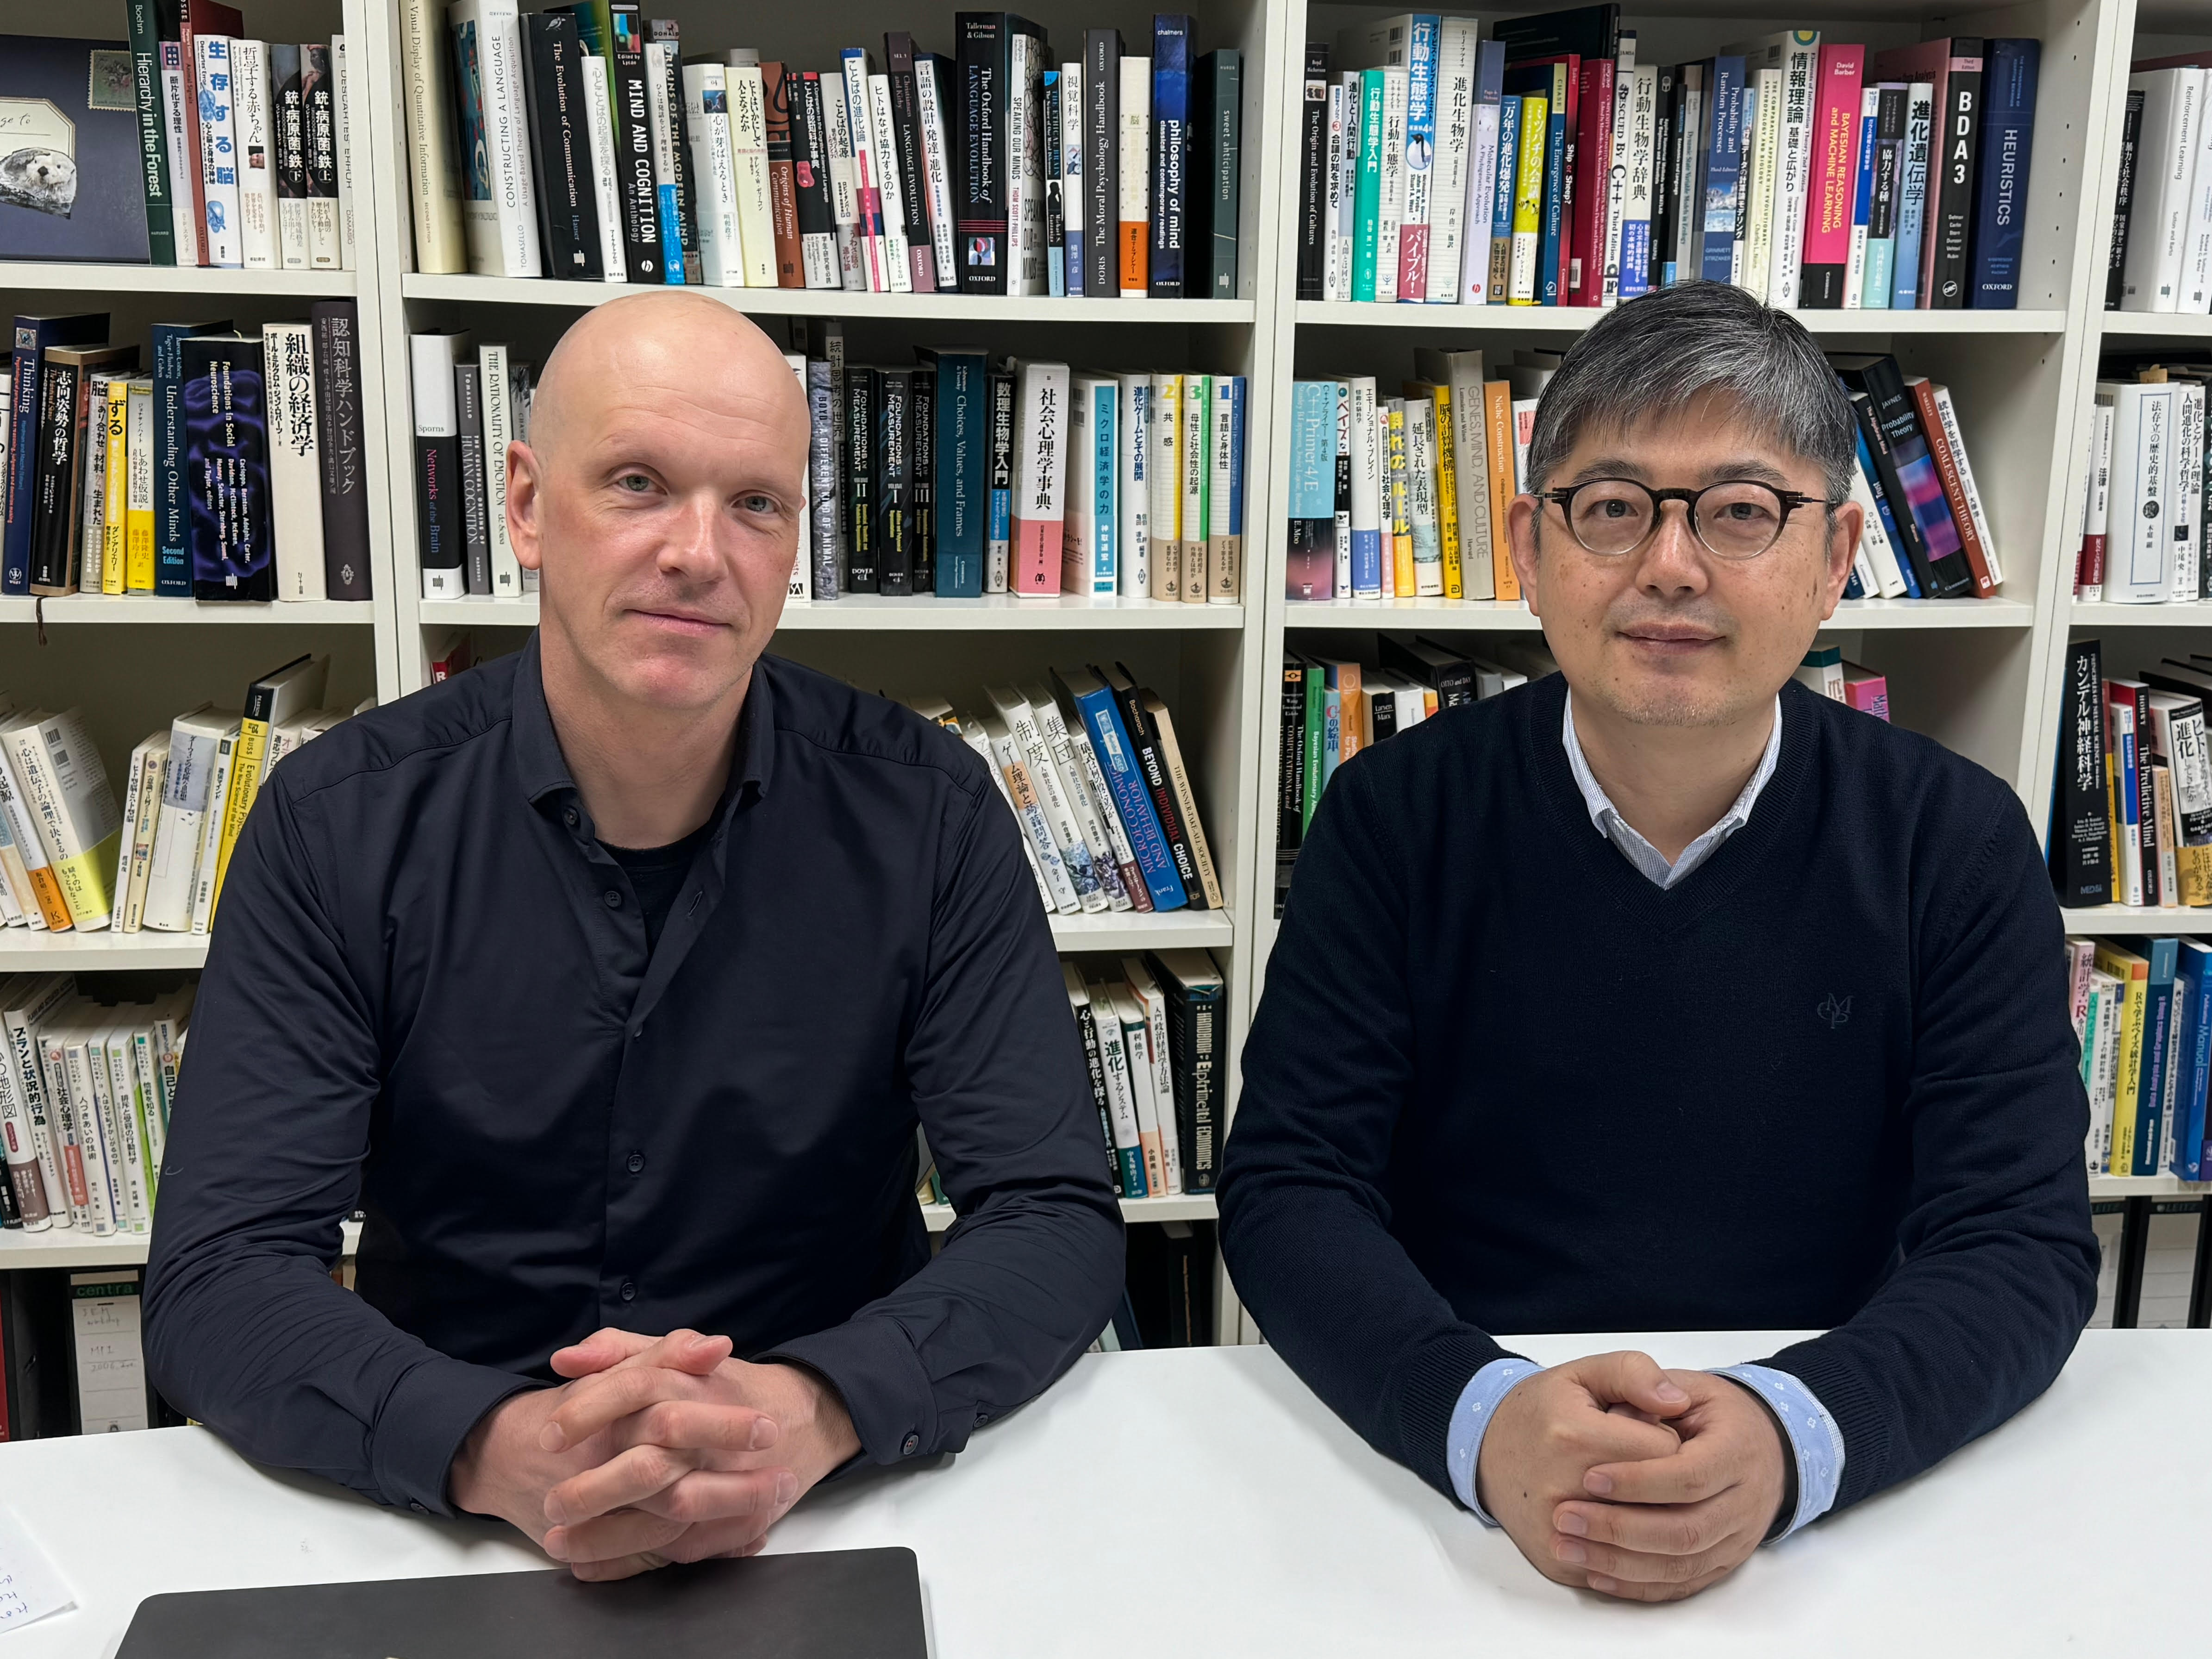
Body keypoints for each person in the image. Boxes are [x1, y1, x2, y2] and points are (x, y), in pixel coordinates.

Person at [145, 290, 1123, 1579]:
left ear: (794, 545)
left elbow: (1053, 1214)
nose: (696, 551)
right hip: (449, 1512)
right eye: (637, 484)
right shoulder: (338, 826)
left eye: (755, 505)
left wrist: (816, 1410)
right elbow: (220, 1271)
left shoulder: (929, 816)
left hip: (832, 1499)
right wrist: (499, 1446)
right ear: (527, 506)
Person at [1218, 282, 2097, 1603]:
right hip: (1454, 1491)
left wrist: (1793, 1435)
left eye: (1742, 512)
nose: (1670, 566)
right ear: (1528, 544)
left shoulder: (1950, 840)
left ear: (1838, 551)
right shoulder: (1396, 816)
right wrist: (1480, 1417)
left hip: (1826, 1479)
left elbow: (2019, 1240)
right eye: (1612, 507)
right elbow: (1291, 1190)